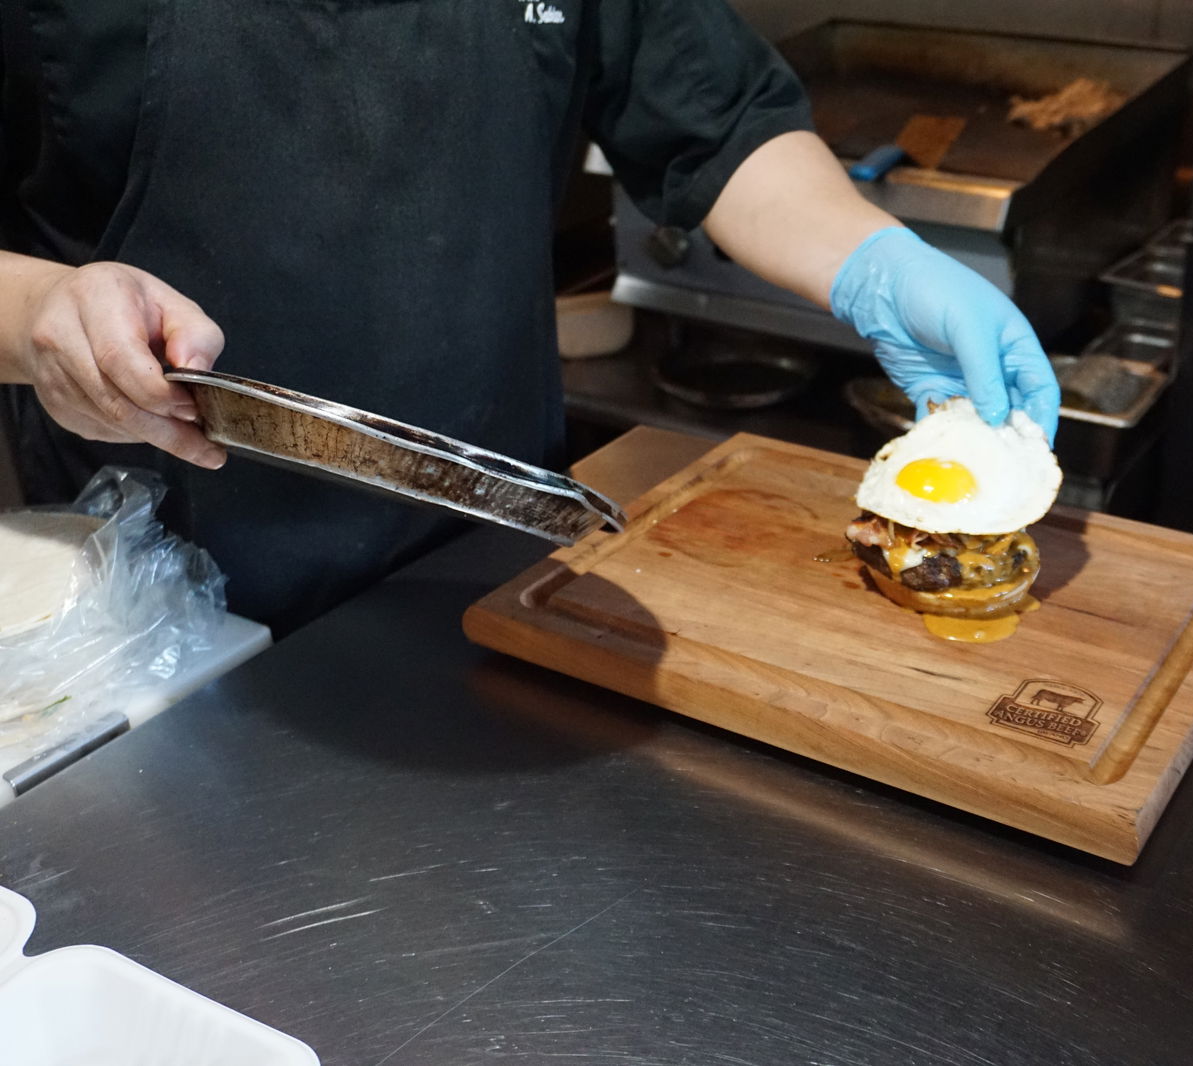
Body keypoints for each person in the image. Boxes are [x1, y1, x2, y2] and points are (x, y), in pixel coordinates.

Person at [0, 1, 1060, 634]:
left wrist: (874, 261)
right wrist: (40, 307)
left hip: (501, 561)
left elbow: (714, 119)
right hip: (155, 606)